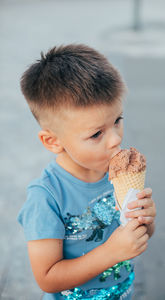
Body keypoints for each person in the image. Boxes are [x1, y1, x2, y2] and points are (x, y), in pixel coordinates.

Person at [18, 44, 156, 300]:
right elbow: (47, 278)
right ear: (52, 142)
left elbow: (135, 237)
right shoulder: (47, 197)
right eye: (96, 134)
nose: (115, 140)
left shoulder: (117, 174)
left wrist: (146, 222)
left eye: (117, 120)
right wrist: (111, 252)